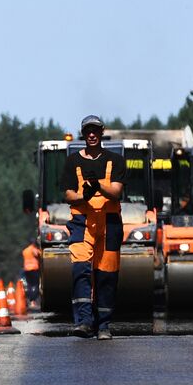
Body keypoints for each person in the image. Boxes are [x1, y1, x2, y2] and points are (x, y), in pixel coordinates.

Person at [60, 115, 126, 339]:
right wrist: (84, 196)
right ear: (83, 133)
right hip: (82, 222)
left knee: (106, 274)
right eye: (87, 130)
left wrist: (97, 186)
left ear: (101, 132)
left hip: (110, 223)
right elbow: (68, 195)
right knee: (80, 269)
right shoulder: (72, 162)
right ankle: (84, 322)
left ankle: (104, 325)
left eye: (95, 130)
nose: (91, 134)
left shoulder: (116, 161)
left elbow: (116, 191)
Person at [21, 238, 42, 304]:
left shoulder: (25, 250)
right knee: (36, 284)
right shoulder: (33, 249)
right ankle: (34, 298)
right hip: (34, 269)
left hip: (26, 270)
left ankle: (30, 298)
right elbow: (39, 254)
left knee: (29, 285)